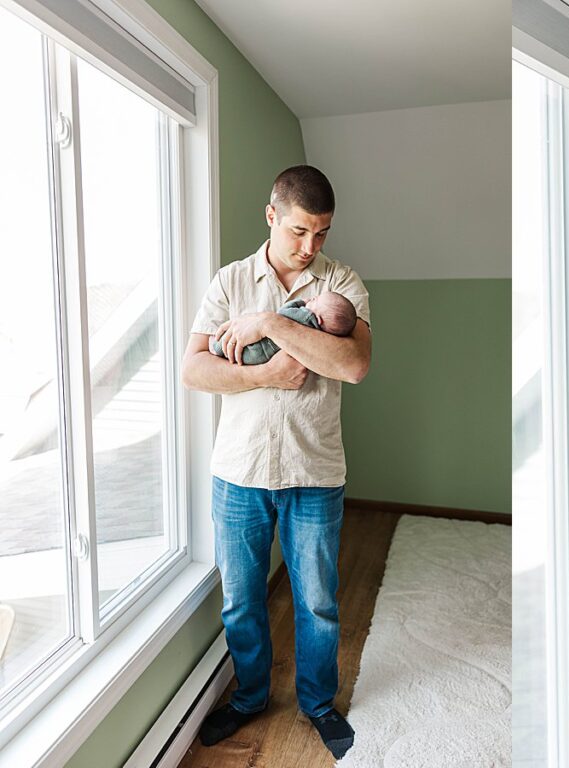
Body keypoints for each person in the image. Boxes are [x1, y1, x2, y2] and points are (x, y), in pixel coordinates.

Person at [181, 165, 372, 760]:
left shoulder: (342, 283)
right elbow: (192, 369)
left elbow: (354, 365)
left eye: (322, 233)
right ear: (271, 216)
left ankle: (318, 704)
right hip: (238, 473)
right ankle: (250, 699)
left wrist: (268, 323)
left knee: (316, 599)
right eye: (298, 231)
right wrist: (264, 374)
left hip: (314, 474)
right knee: (240, 599)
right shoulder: (230, 282)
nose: (311, 247)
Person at [208, 291, 357, 365]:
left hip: (261, 348)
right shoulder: (318, 333)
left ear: (318, 319)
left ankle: (216, 347)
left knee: (232, 344)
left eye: (315, 300)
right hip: (264, 356)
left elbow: (282, 314)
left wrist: (299, 303)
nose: (311, 299)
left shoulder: (304, 316)